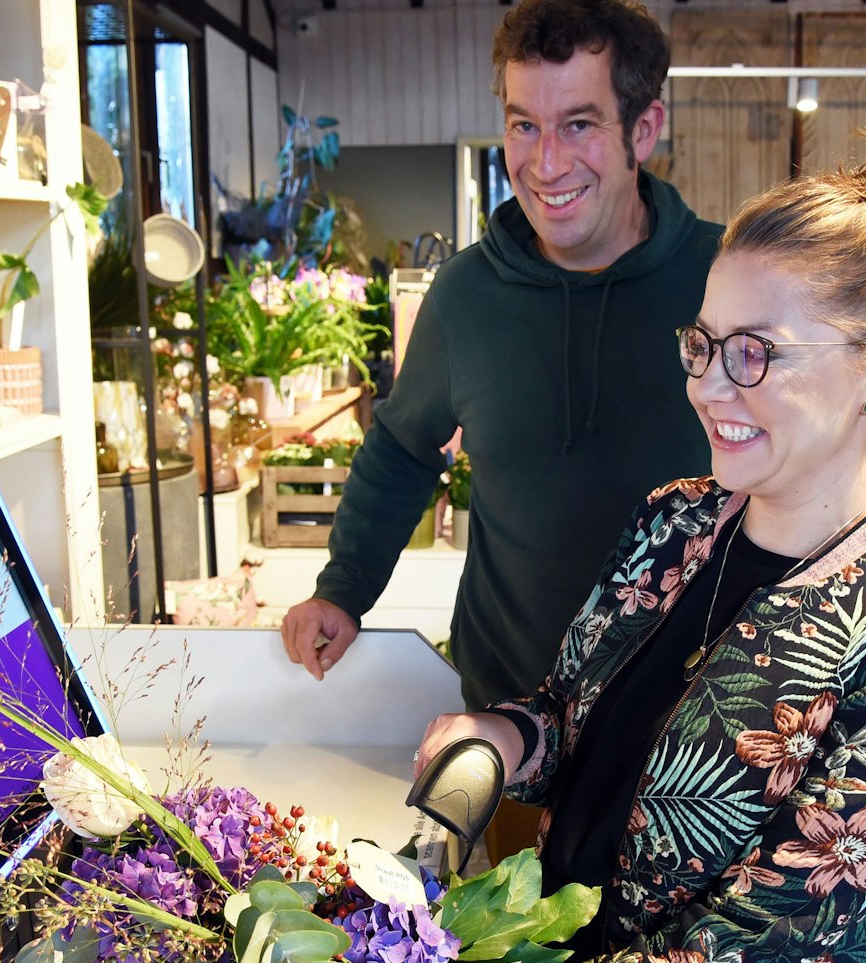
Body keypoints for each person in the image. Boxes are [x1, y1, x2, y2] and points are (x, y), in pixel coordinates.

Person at [393, 140, 866, 963]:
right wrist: (505, 738)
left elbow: (776, 936)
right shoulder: (677, 520)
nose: (710, 387)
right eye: (703, 344)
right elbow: (569, 709)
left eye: (755, 351)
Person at [279, 0, 719, 708]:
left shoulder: (726, 281)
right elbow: (400, 449)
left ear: (645, 127)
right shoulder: (465, 296)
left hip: (686, 728)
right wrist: (343, 589)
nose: (545, 163)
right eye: (523, 124)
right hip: (508, 715)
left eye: (579, 123)